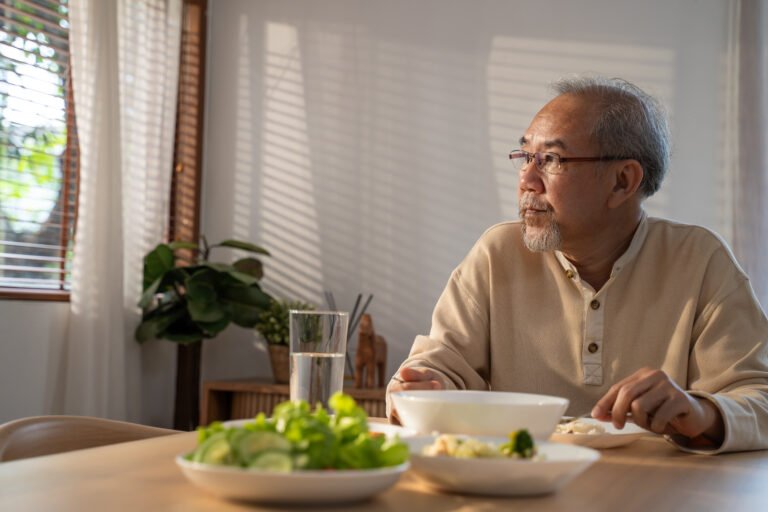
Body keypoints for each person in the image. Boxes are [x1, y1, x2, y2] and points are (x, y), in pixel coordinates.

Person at [387, 76, 768, 453]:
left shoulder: (699, 261)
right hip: (521, 485)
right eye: (525, 157)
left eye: (551, 159)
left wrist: (702, 413)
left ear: (622, 181)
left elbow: (760, 397)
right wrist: (421, 385)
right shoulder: (497, 253)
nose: (526, 180)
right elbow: (441, 366)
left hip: (655, 493)